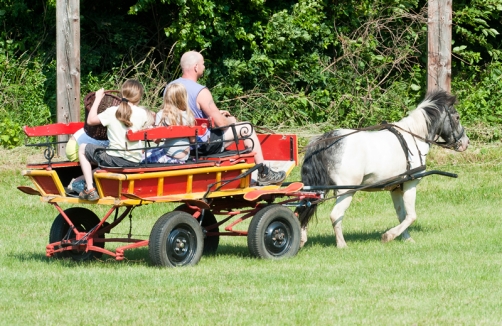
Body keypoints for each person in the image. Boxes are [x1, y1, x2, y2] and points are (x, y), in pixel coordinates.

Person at [166, 51, 286, 186]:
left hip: (182, 145)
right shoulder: (200, 91)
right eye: (203, 64)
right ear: (196, 67)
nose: (204, 67)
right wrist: (231, 121)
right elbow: (221, 124)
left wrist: (215, 113)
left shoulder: (170, 87)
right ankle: (264, 172)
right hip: (201, 145)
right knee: (246, 128)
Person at [78, 79, 149, 201]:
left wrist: (98, 99)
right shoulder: (142, 114)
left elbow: (90, 120)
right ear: (139, 97)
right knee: (106, 151)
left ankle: (90, 188)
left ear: (121, 94)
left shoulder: (112, 111)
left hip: (114, 159)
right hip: (134, 161)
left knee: (83, 148)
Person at [143, 83, 195, 164]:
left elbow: (156, 140)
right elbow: (193, 140)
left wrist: (150, 129)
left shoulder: (162, 114)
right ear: (183, 98)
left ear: (166, 98)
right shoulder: (189, 115)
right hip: (183, 157)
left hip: (168, 156)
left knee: (141, 157)